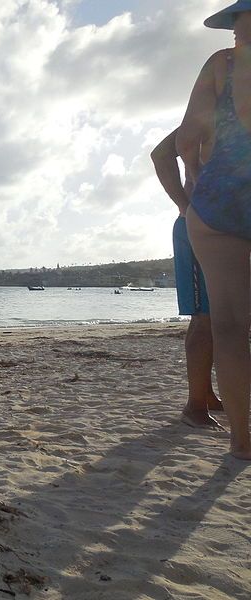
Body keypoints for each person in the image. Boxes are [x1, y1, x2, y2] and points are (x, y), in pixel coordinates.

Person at [178, 1, 251, 458]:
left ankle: (242, 441)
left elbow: (188, 137)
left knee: (229, 327)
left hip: (219, 203)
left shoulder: (222, 64)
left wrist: (193, 177)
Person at [151, 129, 222, 428]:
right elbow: (161, 153)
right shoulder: (212, 110)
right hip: (198, 227)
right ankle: (195, 405)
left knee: (219, 318)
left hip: (227, 232)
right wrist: (185, 205)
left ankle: (205, 393)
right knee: (205, 318)